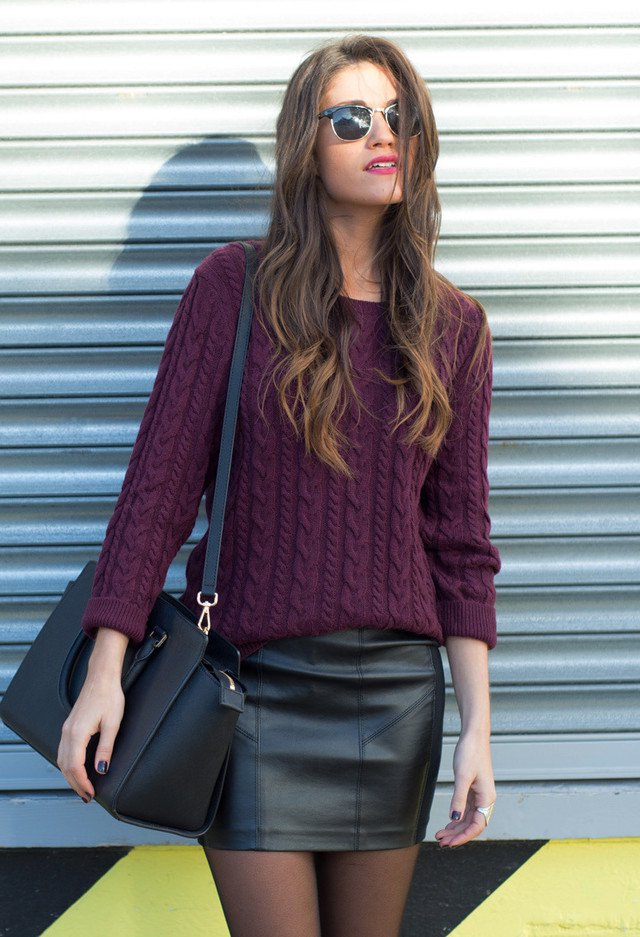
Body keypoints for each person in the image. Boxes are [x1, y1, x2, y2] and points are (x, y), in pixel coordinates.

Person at [57, 33, 501, 937]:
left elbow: (460, 544)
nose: (385, 135)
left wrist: (478, 728)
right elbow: (157, 491)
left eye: (399, 115)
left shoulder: (453, 326)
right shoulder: (234, 287)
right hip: (250, 692)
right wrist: (106, 670)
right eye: (353, 117)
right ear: (309, 142)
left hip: (396, 700)